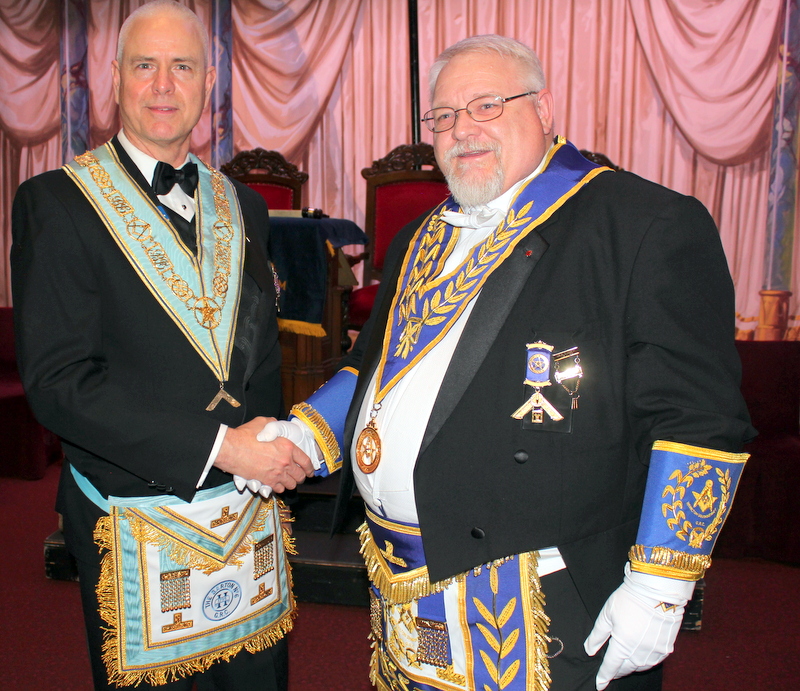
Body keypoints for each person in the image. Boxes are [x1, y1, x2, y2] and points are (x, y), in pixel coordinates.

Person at [261, 35, 755, 690]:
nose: (462, 129)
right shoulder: (417, 238)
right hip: (401, 589)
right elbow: (373, 365)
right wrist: (306, 432)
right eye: (444, 115)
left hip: (549, 600)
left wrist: (662, 584)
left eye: (487, 105)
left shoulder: (644, 224)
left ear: (544, 108)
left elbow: (697, 418)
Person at [11, 1, 314, 689]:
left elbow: (256, 353)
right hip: (132, 511)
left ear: (209, 83)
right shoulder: (56, 203)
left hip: (245, 506)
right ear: (115, 79)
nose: (162, 86)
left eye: (182, 67)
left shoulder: (244, 205)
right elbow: (59, 384)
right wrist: (221, 446)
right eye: (144, 65)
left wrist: (267, 445)